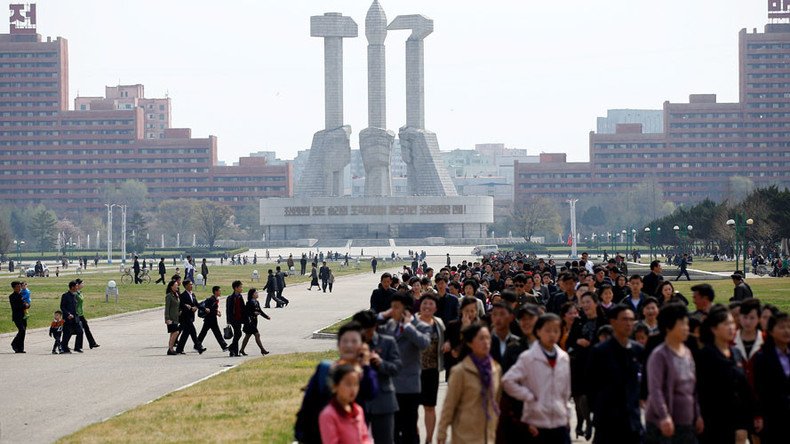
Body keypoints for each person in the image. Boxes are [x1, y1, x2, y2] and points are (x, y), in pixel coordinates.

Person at [295, 322, 379, 444]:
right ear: (339, 345)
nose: (349, 345)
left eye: (354, 341)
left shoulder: (364, 373)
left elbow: (371, 392)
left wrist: (366, 365)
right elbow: (307, 407)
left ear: (362, 346)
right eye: (345, 341)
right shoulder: (325, 370)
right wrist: (301, 435)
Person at [502, 313, 572, 444]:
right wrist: (528, 396)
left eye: (556, 331)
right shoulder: (528, 357)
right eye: (548, 330)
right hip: (536, 421)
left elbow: (566, 390)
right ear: (538, 331)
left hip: (559, 420)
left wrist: (567, 415)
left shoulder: (564, 358)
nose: (552, 334)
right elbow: (507, 381)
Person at [644, 303, 704, 444]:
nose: (686, 328)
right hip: (663, 425)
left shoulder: (687, 353)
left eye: (687, 324)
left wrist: (698, 414)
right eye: (682, 324)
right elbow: (655, 390)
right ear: (668, 326)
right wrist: (664, 416)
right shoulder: (659, 355)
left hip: (686, 424)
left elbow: (692, 388)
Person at [377, 293, 431, 444]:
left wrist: (407, 326)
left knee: (409, 429)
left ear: (406, 310)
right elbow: (367, 328)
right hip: (391, 387)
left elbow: (424, 343)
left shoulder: (421, 326)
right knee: (392, 429)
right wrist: (382, 315)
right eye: (391, 307)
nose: (393, 311)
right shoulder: (389, 326)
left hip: (409, 388)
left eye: (396, 308)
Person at [695, 304, 753, 444]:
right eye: (726, 324)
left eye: (732, 323)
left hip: (737, 421)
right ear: (714, 329)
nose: (731, 327)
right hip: (712, 422)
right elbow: (697, 390)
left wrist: (745, 423)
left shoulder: (736, 353)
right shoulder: (705, 355)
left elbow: (744, 390)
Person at [587, 304, 644, 444]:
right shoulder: (600, 352)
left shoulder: (638, 350)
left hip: (632, 419)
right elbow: (590, 385)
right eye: (624, 319)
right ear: (613, 322)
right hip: (607, 420)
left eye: (632, 320)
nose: (629, 324)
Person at [437, 323, 502, 444]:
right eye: (481, 338)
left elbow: (497, 401)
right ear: (470, 343)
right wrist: (442, 431)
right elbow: (449, 405)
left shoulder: (496, 370)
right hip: (465, 436)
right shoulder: (460, 372)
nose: (486, 342)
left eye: (488, 338)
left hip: (489, 435)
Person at [352, 310, 402, 444]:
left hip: (383, 401)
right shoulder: (352, 345)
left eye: (365, 330)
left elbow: (397, 368)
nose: (362, 334)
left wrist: (381, 363)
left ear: (374, 327)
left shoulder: (387, 342)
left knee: (385, 440)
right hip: (358, 402)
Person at [566, 291, 606, 440]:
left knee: (597, 397)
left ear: (596, 303)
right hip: (581, 363)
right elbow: (570, 341)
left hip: (598, 364)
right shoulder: (578, 321)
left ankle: (596, 422)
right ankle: (588, 423)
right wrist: (578, 341)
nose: (586, 305)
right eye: (583, 302)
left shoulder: (604, 320)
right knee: (581, 397)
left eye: (588, 302)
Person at [752, 312, 790, 444]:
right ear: (771, 331)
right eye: (782, 327)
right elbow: (759, 390)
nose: (787, 331)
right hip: (773, 419)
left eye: (789, 327)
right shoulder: (762, 358)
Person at [319, 364, 374, 444]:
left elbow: (364, 437)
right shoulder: (328, 415)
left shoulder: (358, 410)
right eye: (348, 384)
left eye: (356, 384)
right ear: (335, 386)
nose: (353, 389)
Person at [416, 293, 445, 444]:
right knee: (411, 408)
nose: (427, 306)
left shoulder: (439, 323)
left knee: (429, 407)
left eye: (431, 304)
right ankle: (414, 438)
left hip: (432, 371)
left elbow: (445, 341)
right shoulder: (412, 322)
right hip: (413, 372)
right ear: (420, 305)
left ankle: (428, 439)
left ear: (436, 307)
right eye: (424, 303)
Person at [175, 279, 205, 355]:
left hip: (191, 317)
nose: (191, 286)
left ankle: (179, 349)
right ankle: (199, 347)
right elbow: (181, 306)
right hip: (185, 317)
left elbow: (196, 304)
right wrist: (190, 308)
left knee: (186, 334)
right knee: (193, 332)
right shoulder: (183, 296)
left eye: (192, 284)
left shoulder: (193, 295)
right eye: (190, 284)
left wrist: (204, 309)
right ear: (185, 286)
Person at [197, 286, 228, 352]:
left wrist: (217, 311)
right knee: (206, 332)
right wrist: (216, 313)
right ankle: (224, 346)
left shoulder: (215, 299)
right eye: (219, 291)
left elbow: (213, 309)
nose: (220, 292)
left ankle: (224, 346)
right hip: (209, 319)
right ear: (216, 292)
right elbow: (209, 309)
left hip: (212, 319)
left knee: (214, 333)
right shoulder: (211, 299)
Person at [59, 281, 84, 354]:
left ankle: (77, 347)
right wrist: (68, 314)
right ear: (72, 287)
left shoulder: (75, 295)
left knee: (80, 331)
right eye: (76, 286)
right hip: (68, 318)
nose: (77, 287)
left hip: (75, 317)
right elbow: (62, 307)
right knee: (67, 333)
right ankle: (64, 347)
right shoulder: (65, 295)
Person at [75, 279, 99, 349]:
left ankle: (92, 343)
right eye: (82, 283)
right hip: (77, 314)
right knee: (73, 330)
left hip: (81, 313)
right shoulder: (75, 293)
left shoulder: (79, 292)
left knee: (86, 328)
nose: (83, 284)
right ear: (78, 285)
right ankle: (63, 343)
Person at [226, 280, 245, 357]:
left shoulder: (240, 297)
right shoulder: (230, 298)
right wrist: (228, 320)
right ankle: (233, 349)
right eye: (240, 287)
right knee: (238, 333)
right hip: (233, 319)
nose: (242, 288)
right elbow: (228, 309)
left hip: (239, 318)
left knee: (237, 334)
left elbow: (243, 308)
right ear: (236, 288)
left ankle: (233, 350)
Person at [9, 281, 26, 353]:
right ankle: (14, 343)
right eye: (17, 287)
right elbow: (16, 307)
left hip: (23, 315)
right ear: (14, 288)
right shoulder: (12, 296)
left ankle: (20, 348)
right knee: (21, 330)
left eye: (20, 286)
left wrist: (27, 305)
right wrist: (24, 306)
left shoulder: (21, 294)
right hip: (17, 316)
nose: (19, 288)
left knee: (23, 331)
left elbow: (24, 303)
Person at [164, 280, 181, 355]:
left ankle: (170, 349)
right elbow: (167, 308)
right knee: (176, 332)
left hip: (176, 317)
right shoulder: (169, 296)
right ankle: (170, 349)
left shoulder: (176, 295)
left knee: (172, 333)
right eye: (176, 285)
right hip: (171, 318)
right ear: (171, 287)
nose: (177, 286)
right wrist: (167, 319)